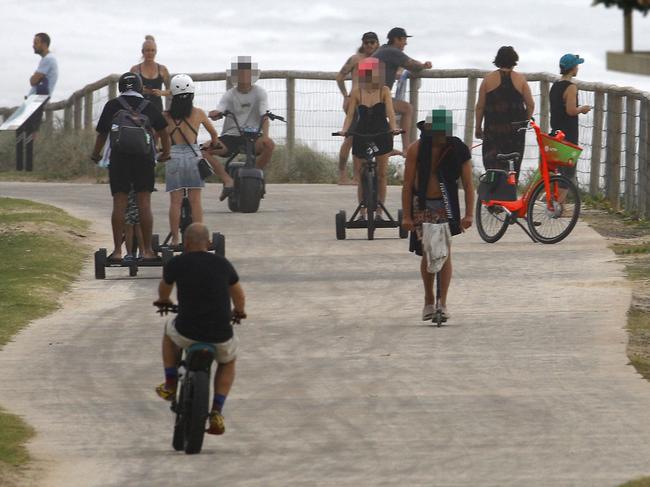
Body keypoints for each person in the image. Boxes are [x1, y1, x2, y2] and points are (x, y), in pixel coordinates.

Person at [155, 223, 246, 435]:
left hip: (187, 330)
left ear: (185, 243)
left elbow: (164, 289)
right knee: (228, 360)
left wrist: (164, 300)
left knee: (169, 330)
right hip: (219, 333)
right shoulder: (223, 264)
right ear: (209, 243)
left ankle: (170, 384)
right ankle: (216, 411)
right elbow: (239, 296)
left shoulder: (177, 263)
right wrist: (238, 312)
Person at [401, 109, 474, 321]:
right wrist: (406, 216)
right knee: (428, 251)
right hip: (422, 204)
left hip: (446, 204)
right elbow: (407, 185)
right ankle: (428, 299)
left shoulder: (457, 149)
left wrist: (469, 214)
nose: (441, 140)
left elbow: (469, 185)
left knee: (445, 252)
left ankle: (443, 302)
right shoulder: (416, 149)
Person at [90, 72, 170, 262]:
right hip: (144, 159)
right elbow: (164, 132)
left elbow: (102, 134)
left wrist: (95, 154)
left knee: (119, 203)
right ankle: (148, 251)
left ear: (120, 88)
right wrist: (165, 153)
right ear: (141, 88)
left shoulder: (112, 106)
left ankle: (118, 251)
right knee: (144, 203)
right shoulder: (148, 106)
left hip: (119, 159)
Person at [163, 74, 232, 247]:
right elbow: (214, 134)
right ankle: (202, 239)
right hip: (194, 156)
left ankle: (175, 240)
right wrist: (214, 143)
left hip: (174, 156)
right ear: (192, 94)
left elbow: (158, 135)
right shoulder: (198, 113)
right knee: (195, 201)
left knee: (175, 202)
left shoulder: (165, 116)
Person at [339, 57, 399, 220]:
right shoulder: (357, 92)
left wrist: (394, 128)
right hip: (362, 132)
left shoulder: (384, 91)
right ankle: (362, 213)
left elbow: (391, 113)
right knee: (360, 173)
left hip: (381, 132)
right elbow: (350, 115)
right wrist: (344, 130)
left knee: (381, 174)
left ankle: (380, 211)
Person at [475, 46, 534, 181]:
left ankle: (494, 194)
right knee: (513, 166)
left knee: (493, 164)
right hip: (515, 132)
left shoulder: (488, 80)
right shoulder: (521, 80)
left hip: (493, 130)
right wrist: (525, 122)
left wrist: (478, 127)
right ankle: (510, 194)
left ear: (498, 60)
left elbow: (480, 106)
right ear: (514, 60)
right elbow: (530, 104)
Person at [208, 57, 275, 175]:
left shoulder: (260, 92)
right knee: (205, 149)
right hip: (231, 136)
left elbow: (264, 115)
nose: (244, 76)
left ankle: (256, 174)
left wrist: (265, 136)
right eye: (240, 73)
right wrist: (215, 114)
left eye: (247, 73)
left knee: (269, 144)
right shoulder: (229, 94)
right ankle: (227, 180)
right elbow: (220, 109)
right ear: (235, 76)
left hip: (253, 136)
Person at [373, 27, 432, 150]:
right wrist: (423, 65)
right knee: (407, 109)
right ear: (396, 39)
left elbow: (403, 62)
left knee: (391, 119)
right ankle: (407, 148)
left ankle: (385, 145)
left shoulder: (382, 50)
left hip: (365, 98)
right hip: (378, 99)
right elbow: (411, 64)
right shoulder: (393, 52)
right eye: (404, 39)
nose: (406, 43)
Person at [335, 32, 379, 184]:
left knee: (362, 139)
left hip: (370, 104)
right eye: (367, 42)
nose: (369, 45)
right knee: (350, 138)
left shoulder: (378, 60)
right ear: (363, 43)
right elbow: (340, 77)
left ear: (377, 44)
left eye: (372, 42)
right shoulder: (355, 59)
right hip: (354, 102)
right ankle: (342, 174)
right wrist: (346, 95)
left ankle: (357, 176)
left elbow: (398, 70)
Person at [549, 53, 591, 182]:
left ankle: (553, 198)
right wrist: (582, 109)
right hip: (568, 133)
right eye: (577, 65)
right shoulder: (571, 87)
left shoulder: (555, 85)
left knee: (557, 171)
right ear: (572, 68)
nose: (578, 68)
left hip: (556, 131)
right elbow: (571, 111)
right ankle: (558, 202)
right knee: (568, 174)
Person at [130, 35, 171, 114]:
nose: (150, 53)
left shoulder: (163, 69)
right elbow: (128, 90)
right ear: (143, 51)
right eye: (147, 50)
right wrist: (139, 90)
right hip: (139, 110)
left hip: (157, 109)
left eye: (152, 50)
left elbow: (170, 90)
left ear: (156, 52)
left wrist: (161, 92)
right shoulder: (135, 70)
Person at [29, 33, 58, 97]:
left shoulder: (48, 59)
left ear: (44, 45)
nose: (33, 46)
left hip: (38, 100)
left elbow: (33, 81)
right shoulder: (49, 58)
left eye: (36, 43)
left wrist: (33, 77)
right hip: (39, 99)